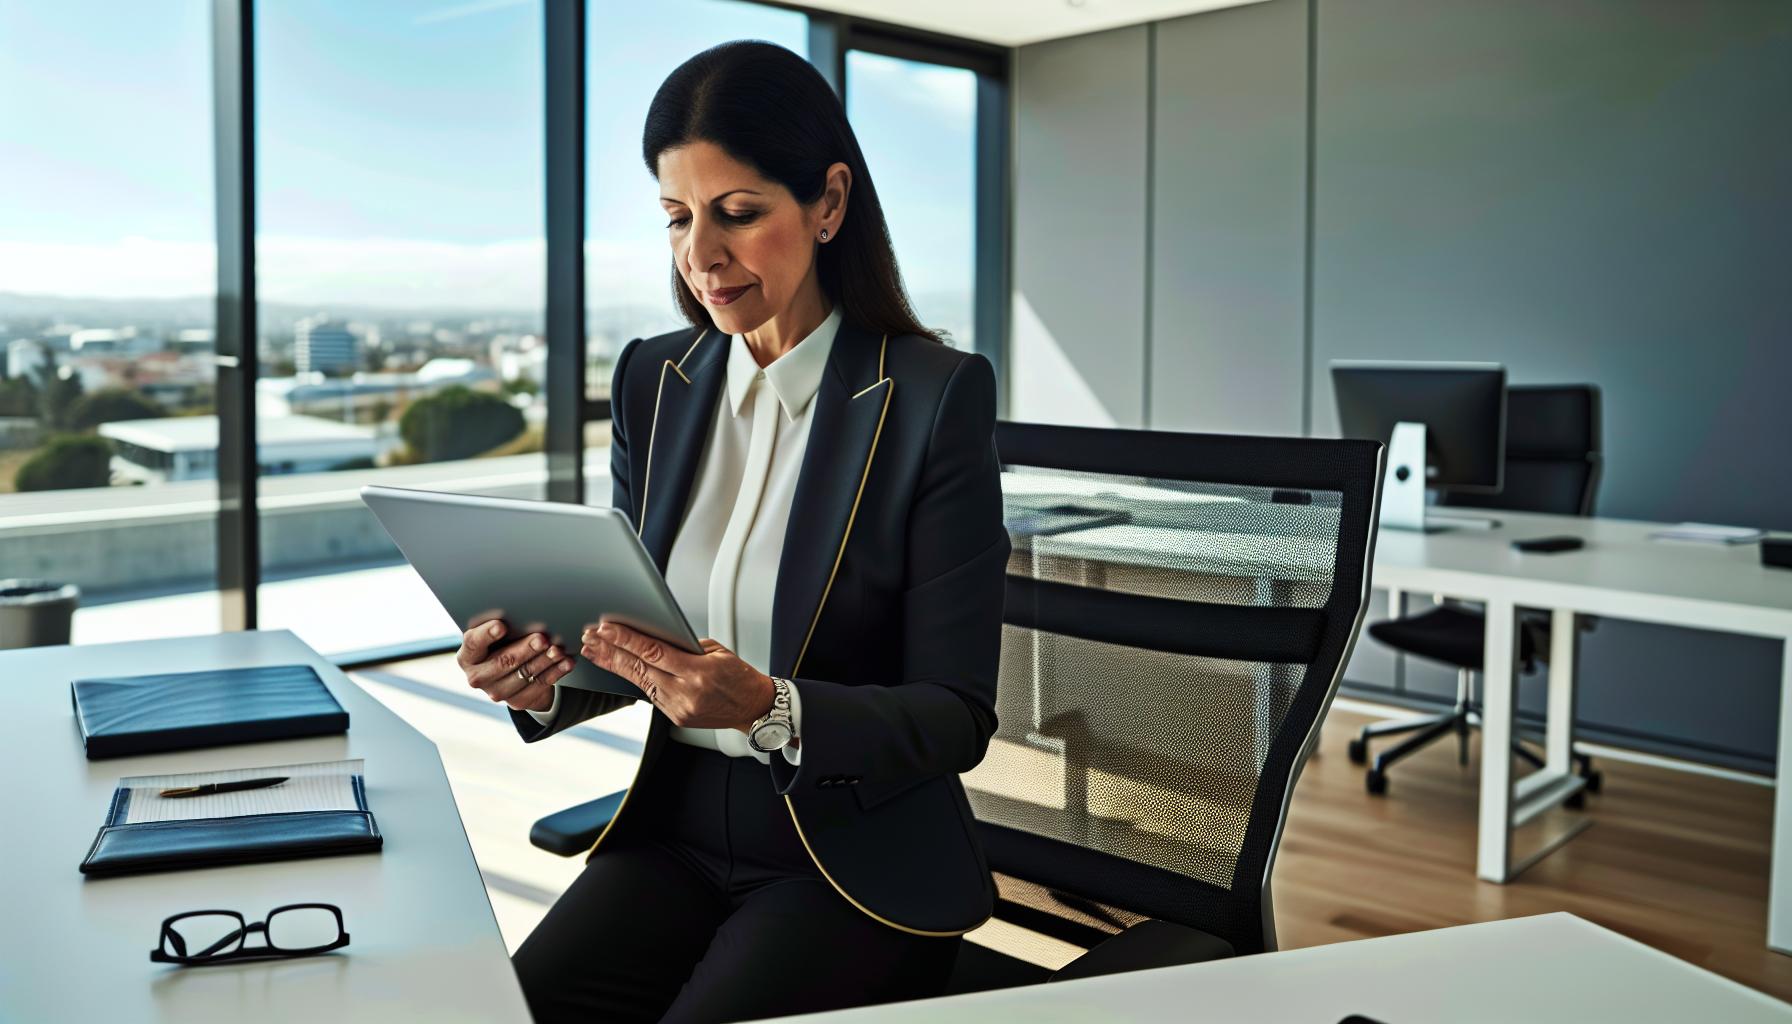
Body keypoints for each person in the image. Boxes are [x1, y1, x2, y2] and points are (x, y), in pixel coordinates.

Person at [453, 39, 1008, 1024]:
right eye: (677, 218)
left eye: (738, 214)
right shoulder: (652, 384)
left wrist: (772, 706)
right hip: (669, 830)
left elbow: (957, 715)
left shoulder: (930, 399)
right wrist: (545, 681)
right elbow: (634, 639)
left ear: (828, 204)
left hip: (846, 851)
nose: (701, 255)